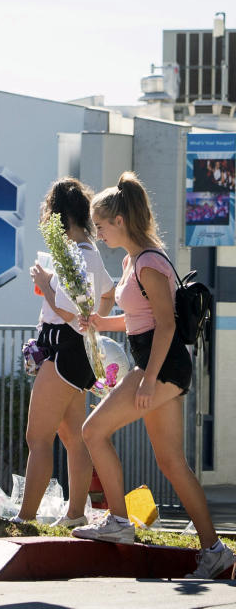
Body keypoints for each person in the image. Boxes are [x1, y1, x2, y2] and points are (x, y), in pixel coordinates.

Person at [72, 172, 235, 579]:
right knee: (172, 462)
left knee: (92, 432)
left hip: (160, 366)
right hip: (159, 365)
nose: (99, 232)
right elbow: (136, 319)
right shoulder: (133, 261)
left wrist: (147, 380)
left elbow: (165, 325)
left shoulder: (148, 262)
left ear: (121, 221)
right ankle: (214, 550)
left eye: (102, 224)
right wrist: (98, 322)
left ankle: (119, 522)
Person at [13, 178, 114, 527]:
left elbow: (73, 311)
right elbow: (108, 294)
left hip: (65, 349)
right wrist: (95, 321)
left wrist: (46, 285)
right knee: (72, 436)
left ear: (59, 217)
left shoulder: (78, 254)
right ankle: (74, 514)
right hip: (76, 350)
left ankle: (26, 517)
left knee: (36, 436)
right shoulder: (89, 252)